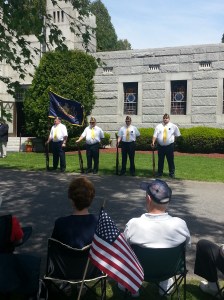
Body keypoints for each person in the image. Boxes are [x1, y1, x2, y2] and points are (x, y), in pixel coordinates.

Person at [123, 179, 191, 296]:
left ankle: (134, 287)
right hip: (169, 270)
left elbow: (125, 251)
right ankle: (165, 285)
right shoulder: (180, 224)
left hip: (140, 270)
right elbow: (187, 247)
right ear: (168, 201)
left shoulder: (133, 224)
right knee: (164, 254)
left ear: (148, 199)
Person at [51, 177, 98, 249]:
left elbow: (53, 249)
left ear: (71, 200)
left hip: (65, 260)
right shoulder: (99, 224)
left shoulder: (60, 224)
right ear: (91, 199)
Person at [152, 113, 181, 179]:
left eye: (166, 118)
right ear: (163, 119)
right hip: (161, 146)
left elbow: (177, 135)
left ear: (169, 119)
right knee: (160, 160)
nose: (165, 119)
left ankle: (171, 173)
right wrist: (153, 142)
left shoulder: (173, 126)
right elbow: (155, 135)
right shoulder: (158, 126)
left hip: (169, 146)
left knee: (170, 160)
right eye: (164, 118)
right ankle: (159, 173)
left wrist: (173, 142)